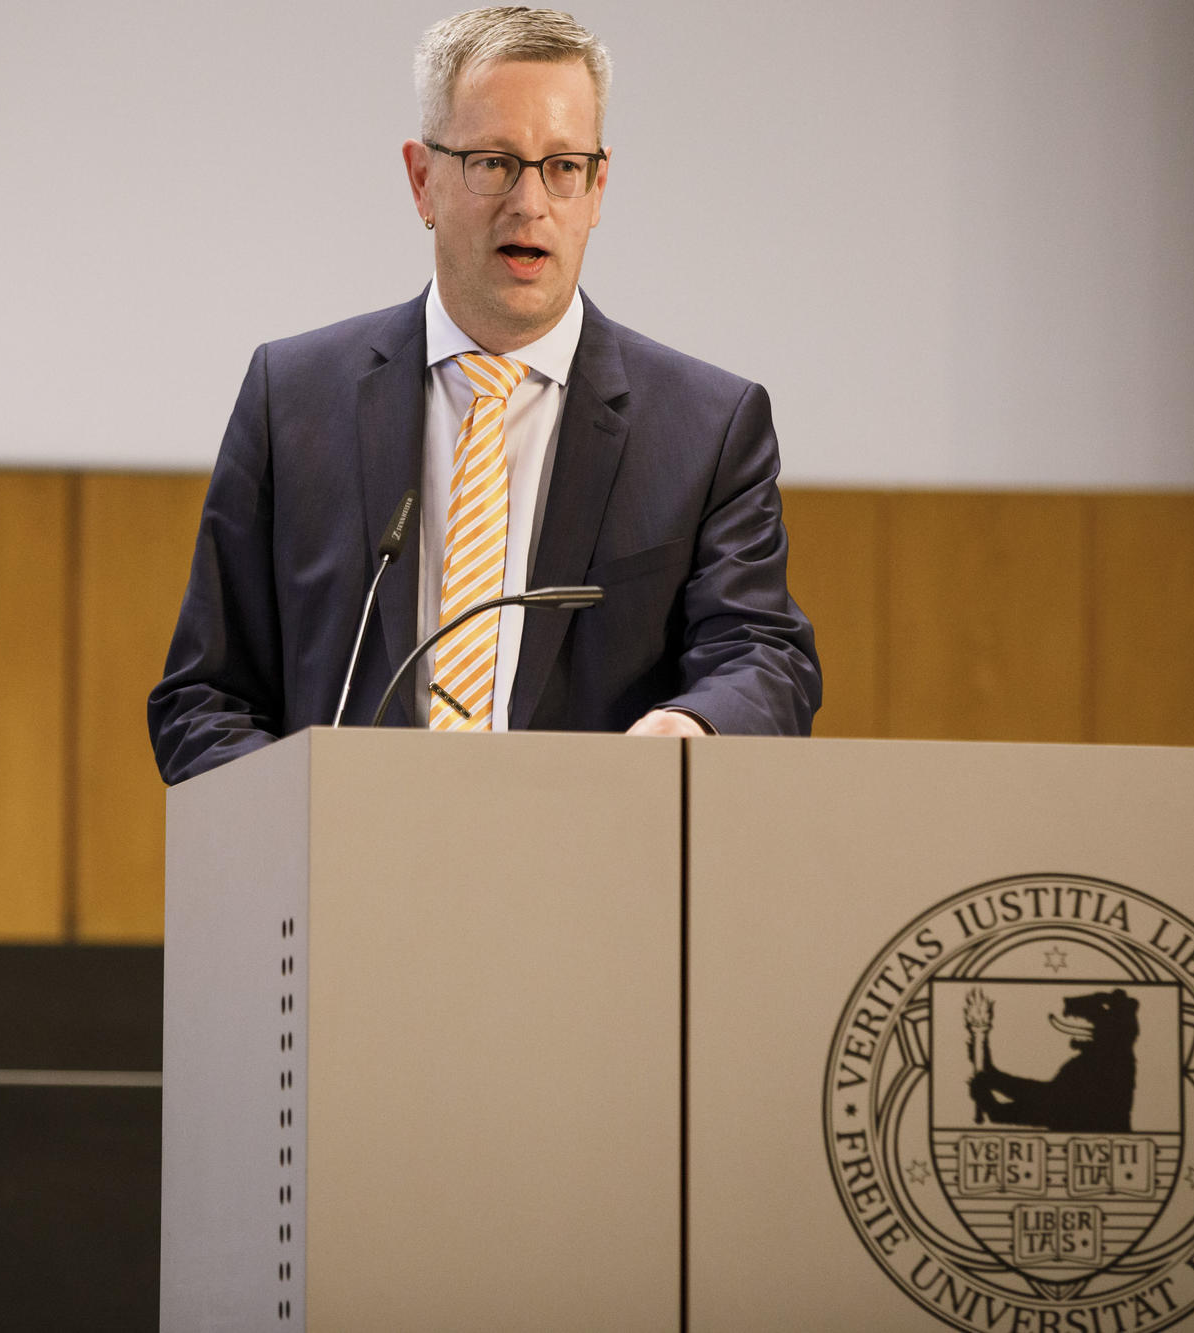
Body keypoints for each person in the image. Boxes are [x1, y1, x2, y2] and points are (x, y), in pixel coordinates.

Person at [149, 6, 820, 784]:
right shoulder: (293, 400)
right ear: (422, 179)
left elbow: (766, 657)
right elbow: (204, 697)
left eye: (563, 166)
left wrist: (691, 724)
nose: (530, 203)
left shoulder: (707, 428)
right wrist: (295, 821)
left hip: (593, 871)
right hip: (351, 877)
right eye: (494, 162)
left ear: (598, 189)